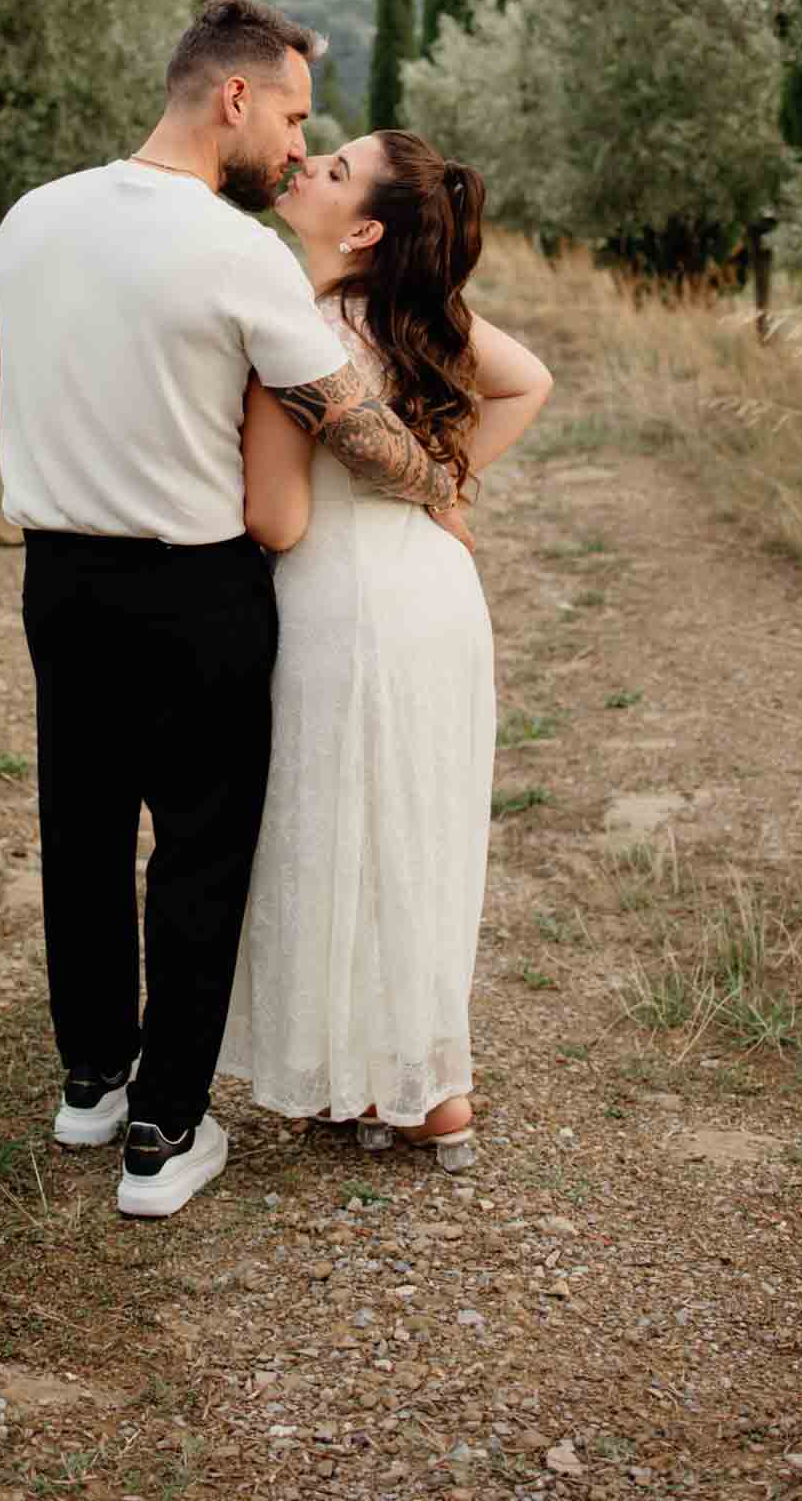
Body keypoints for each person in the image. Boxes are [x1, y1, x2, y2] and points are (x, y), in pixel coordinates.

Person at [0, 0, 466, 1220]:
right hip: (193, 588)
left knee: (80, 831)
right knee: (199, 851)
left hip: (60, 579)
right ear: (233, 99)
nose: (296, 148)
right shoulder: (241, 254)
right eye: (293, 116)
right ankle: (163, 1132)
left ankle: (91, 1080)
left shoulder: (28, 218)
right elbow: (350, 422)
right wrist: (439, 483)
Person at [219, 129, 553, 1165]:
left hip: (343, 603)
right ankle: (397, 1081)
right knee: (408, 829)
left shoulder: (306, 336)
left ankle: (412, 1091)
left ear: (361, 228)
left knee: (340, 831)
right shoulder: (411, 319)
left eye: (331, 170)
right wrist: (449, 482)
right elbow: (528, 381)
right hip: (431, 594)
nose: (306, 165)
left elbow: (275, 520)